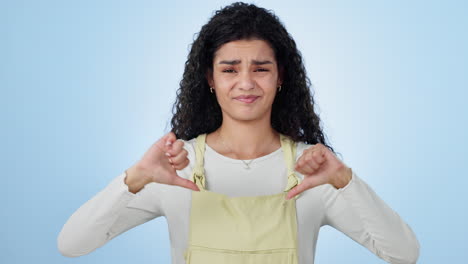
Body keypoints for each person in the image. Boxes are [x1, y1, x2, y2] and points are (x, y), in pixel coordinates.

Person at [57, 2, 420, 264]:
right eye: (230, 69)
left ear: (280, 78)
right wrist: (135, 178)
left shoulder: (313, 173)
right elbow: (72, 244)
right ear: (210, 80)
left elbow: (403, 254)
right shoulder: (175, 170)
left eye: (261, 68)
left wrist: (343, 179)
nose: (245, 83)